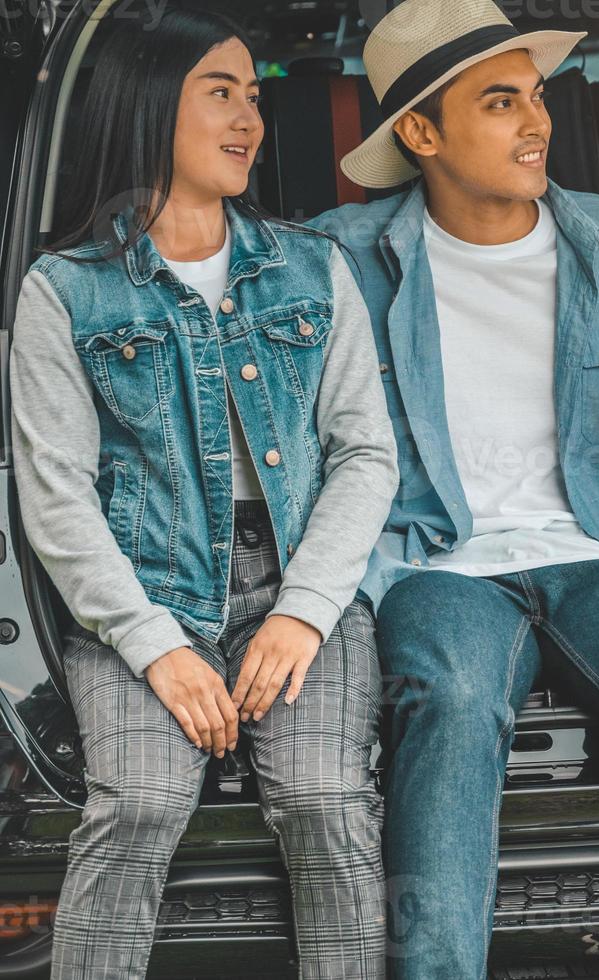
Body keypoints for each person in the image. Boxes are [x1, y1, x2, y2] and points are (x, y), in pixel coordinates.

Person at [308, 2, 599, 977]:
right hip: (440, 557)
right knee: (451, 692)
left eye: (537, 96)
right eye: (500, 101)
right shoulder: (336, 262)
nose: (536, 123)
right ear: (420, 132)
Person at [9, 9, 399, 979]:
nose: (249, 120)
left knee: (324, 798)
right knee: (138, 801)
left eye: (254, 97)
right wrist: (157, 646)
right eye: (219, 92)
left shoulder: (314, 268)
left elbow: (366, 455)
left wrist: (305, 613)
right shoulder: (65, 290)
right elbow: (55, 498)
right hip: (138, 591)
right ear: (148, 108)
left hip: (297, 579)